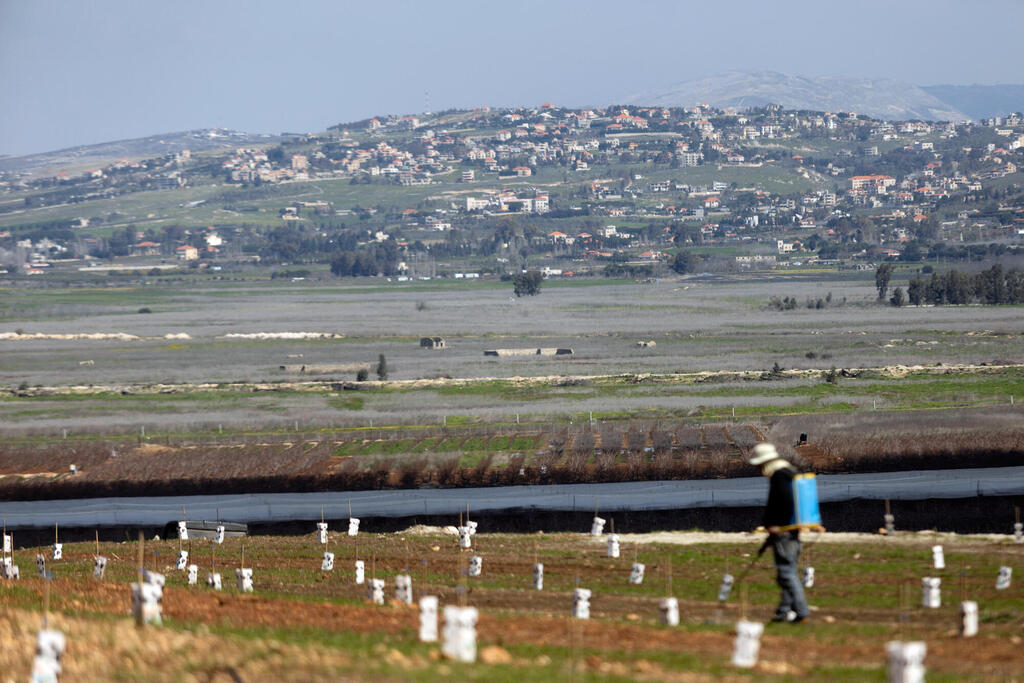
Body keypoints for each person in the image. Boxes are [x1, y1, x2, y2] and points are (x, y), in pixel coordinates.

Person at [749, 442, 810, 624]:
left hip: (784, 532)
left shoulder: (779, 475)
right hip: (792, 530)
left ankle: (802, 612)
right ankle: (783, 612)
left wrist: (774, 525)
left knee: (786, 573)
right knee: (788, 571)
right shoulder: (790, 471)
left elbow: (782, 502)